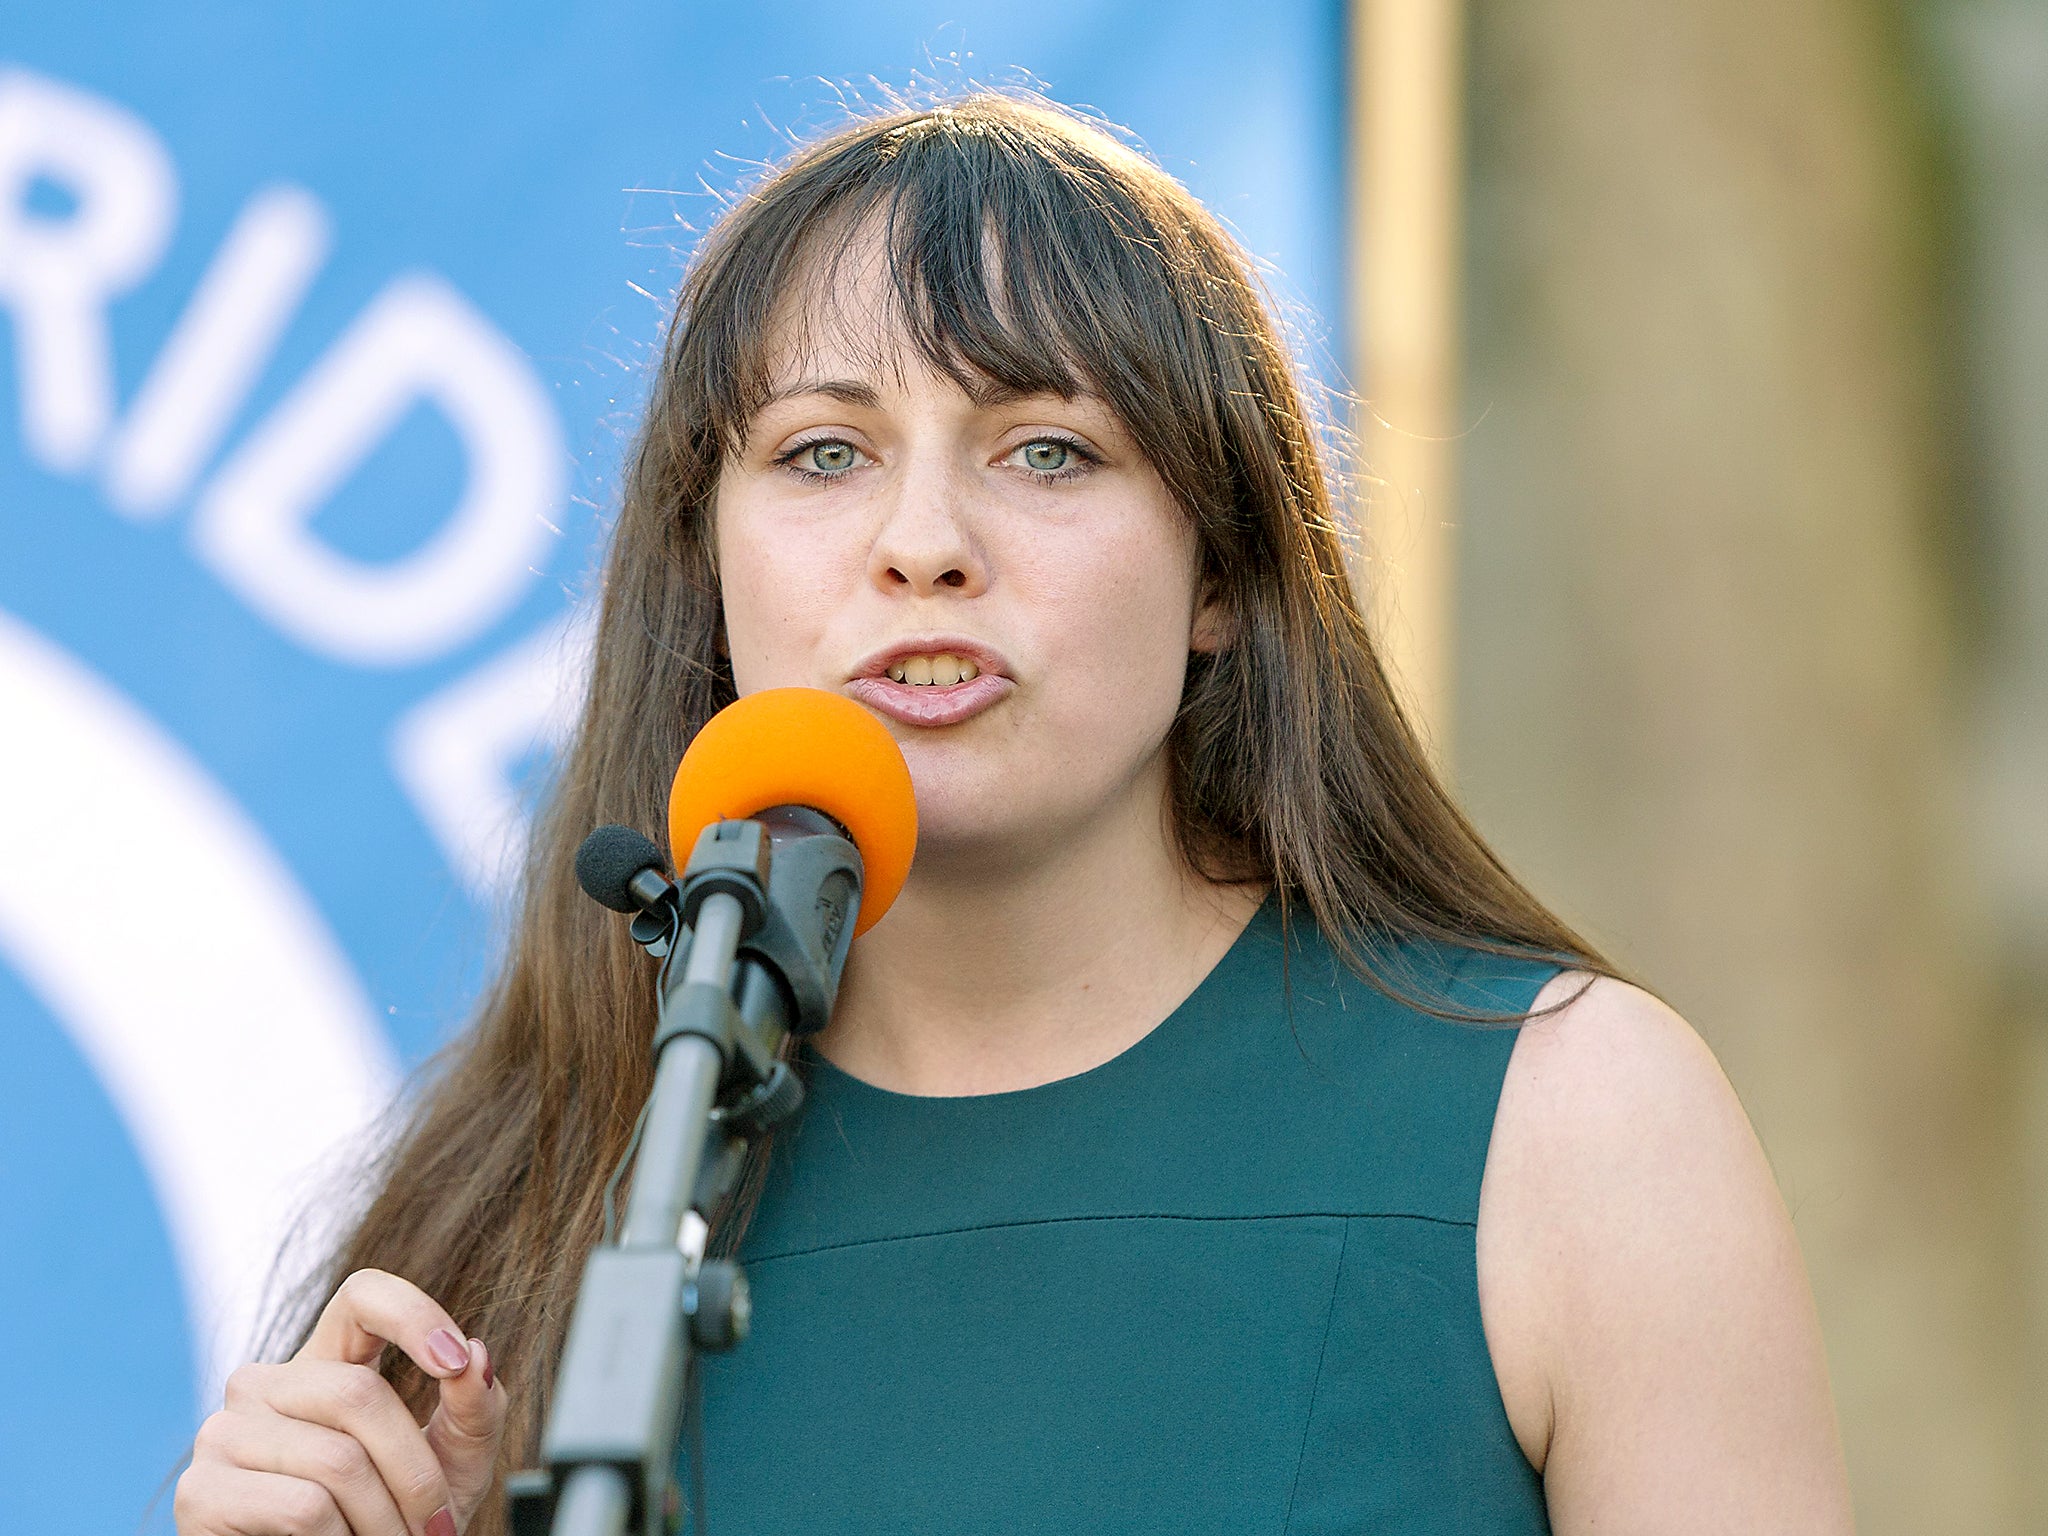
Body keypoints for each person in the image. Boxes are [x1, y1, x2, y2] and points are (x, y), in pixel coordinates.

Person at [173, 93, 1855, 1536]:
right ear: (710, 565)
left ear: (1224, 572)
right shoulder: (522, 1211)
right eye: (824, 454)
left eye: (1046, 450)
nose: (922, 544)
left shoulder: (1567, 1125)